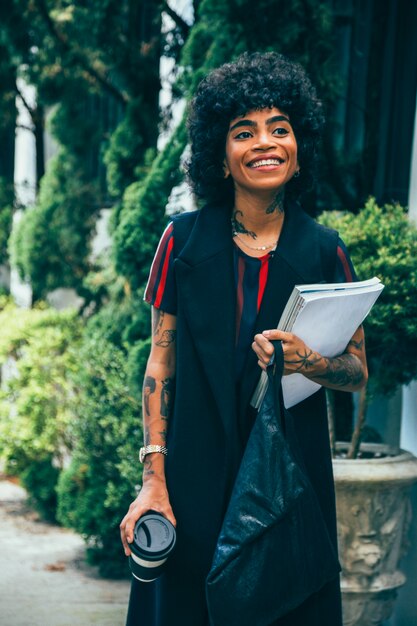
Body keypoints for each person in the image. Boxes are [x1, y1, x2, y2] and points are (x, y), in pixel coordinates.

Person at [120, 52, 368, 626]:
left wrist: (311, 361)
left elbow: (358, 372)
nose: (265, 143)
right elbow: (161, 362)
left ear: (298, 145)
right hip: (194, 473)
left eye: (280, 128)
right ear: (221, 155)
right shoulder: (180, 242)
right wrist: (153, 481)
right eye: (244, 132)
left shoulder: (325, 249)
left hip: (289, 480)